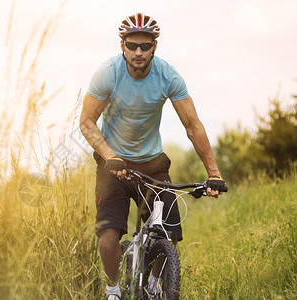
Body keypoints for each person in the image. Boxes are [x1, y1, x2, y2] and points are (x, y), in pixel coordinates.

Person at [79, 13, 227, 300]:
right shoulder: (108, 73)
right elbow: (86, 121)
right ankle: (112, 291)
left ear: (154, 47)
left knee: (168, 231)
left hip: (152, 164)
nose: (138, 52)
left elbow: (193, 125)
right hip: (113, 164)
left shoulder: (168, 76)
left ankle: (155, 284)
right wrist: (110, 156)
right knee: (109, 233)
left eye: (145, 46)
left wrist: (214, 173)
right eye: (132, 45)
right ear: (122, 45)